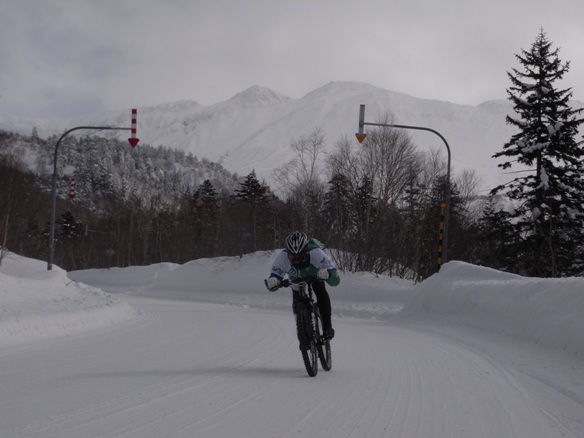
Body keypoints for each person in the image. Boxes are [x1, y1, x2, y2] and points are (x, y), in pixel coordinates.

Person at [265, 231, 340, 340]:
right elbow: (273, 283)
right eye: (293, 257)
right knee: (297, 297)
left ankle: (328, 327)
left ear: (307, 251)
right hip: (295, 276)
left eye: (300, 256)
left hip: (314, 272)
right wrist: (273, 282)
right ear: (287, 254)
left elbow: (335, 281)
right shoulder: (282, 258)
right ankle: (302, 331)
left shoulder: (316, 252)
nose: (297, 260)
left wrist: (328, 274)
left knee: (320, 289)